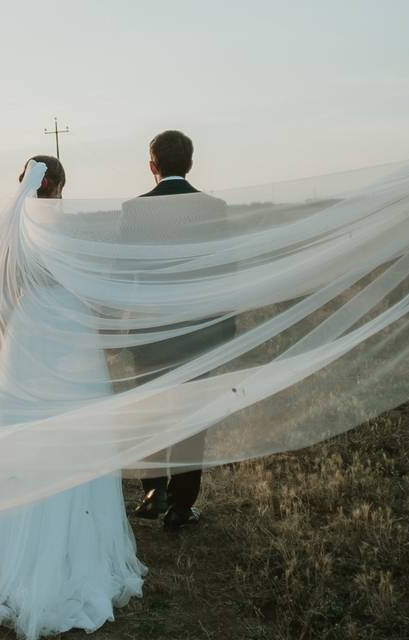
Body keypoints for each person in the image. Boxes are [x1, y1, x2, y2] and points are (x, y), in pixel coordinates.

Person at [0, 156, 146, 640]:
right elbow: (90, 285)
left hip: (28, 334)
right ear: (61, 184)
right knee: (78, 433)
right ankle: (79, 556)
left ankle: (16, 560)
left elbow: (2, 293)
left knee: (26, 435)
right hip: (70, 331)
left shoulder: (13, 230)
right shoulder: (68, 228)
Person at [125, 130, 237, 530]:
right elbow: (226, 271)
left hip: (151, 332)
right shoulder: (214, 207)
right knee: (192, 416)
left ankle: (153, 491)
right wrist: (226, 327)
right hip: (199, 331)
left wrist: (123, 329)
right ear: (190, 164)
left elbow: (127, 273)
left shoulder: (134, 210)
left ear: (152, 166)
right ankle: (181, 505)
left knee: (149, 412)